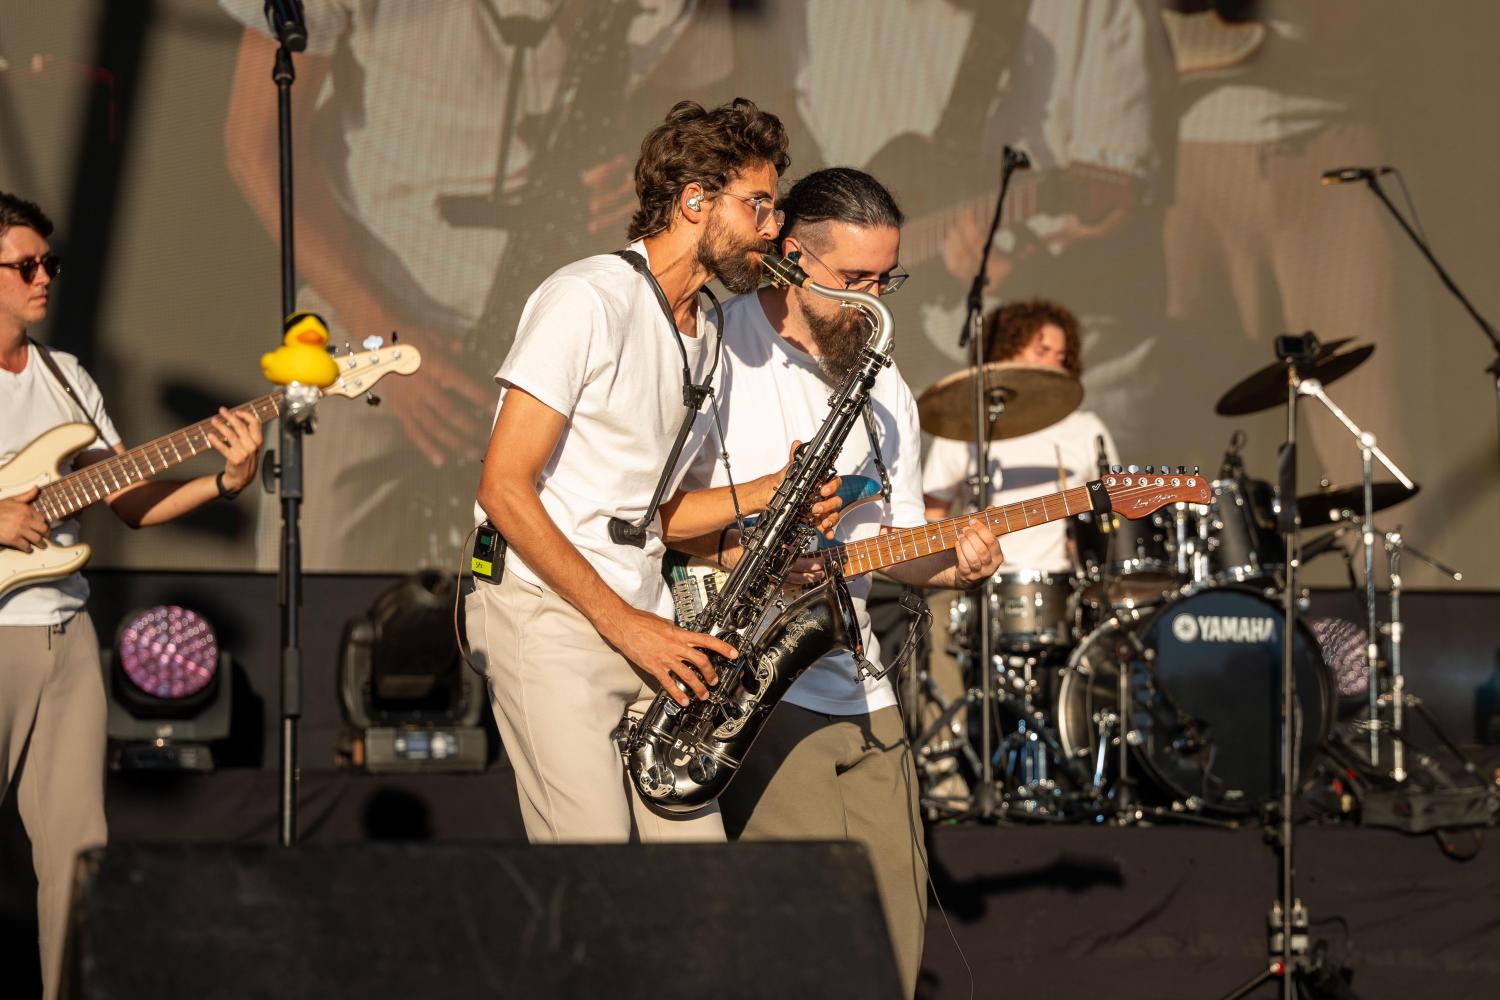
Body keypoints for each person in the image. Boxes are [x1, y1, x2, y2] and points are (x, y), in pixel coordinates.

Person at [467, 98, 840, 845]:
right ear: (695, 201)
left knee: (697, 874)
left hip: (648, 622)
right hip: (551, 615)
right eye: (759, 205)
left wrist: (773, 491)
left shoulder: (707, 330)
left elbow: (653, 512)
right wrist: (627, 625)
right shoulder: (587, 298)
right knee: (595, 873)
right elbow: (502, 487)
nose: (774, 228)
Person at [675, 167, 1005, 998]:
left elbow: (888, 544)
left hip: (860, 685)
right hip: (752, 683)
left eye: (887, 279)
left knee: (894, 937)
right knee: (810, 945)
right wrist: (748, 544)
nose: (874, 301)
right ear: (790, 256)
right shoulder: (714, 348)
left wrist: (954, 563)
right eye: (855, 279)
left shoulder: (885, 383)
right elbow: (655, 515)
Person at [0, 192, 262, 1000]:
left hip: (66, 634)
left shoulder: (66, 376)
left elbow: (131, 501)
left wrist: (227, 478)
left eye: (49, 263)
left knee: (81, 851)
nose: (44, 278)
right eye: (25, 265)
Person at [922, 299, 1119, 570]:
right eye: (1042, 351)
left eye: (1061, 356)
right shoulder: (964, 430)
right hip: (981, 581)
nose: (1054, 363)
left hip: (1065, 581)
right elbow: (931, 515)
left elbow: (1113, 510)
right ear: (1004, 353)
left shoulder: (1086, 428)